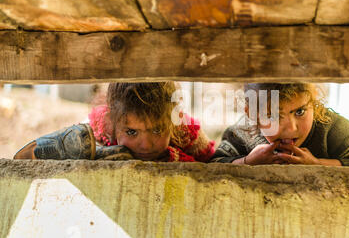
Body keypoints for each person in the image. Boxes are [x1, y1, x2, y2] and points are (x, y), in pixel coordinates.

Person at [14, 82, 215, 162]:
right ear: (113, 123)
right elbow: (23, 158)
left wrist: (176, 160)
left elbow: (215, 164)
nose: (145, 145)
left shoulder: (186, 130)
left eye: (157, 130)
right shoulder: (98, 127)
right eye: (132, 132)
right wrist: (98, 155)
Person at [210, 83, 349, 167]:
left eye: (300, 112)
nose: (290, 129)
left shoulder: (331, 127)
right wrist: (247, 162)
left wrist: (318, 164)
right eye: (272, 116)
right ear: (252, 114)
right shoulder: (244, 132)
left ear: (314, 100)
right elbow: (213, 165)